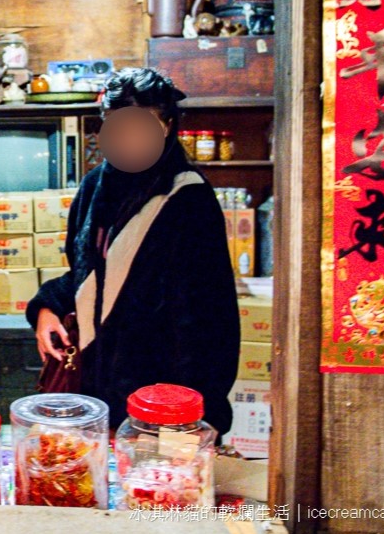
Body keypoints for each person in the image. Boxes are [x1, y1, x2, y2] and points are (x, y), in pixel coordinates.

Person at [25, 68, 240, 434]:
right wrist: (47, 306)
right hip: (95, 389)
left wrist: (190, 414)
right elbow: (87, 274)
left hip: (163, 396)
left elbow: (210, 315)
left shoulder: (189, 197)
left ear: (167, 126)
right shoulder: (95, 187)